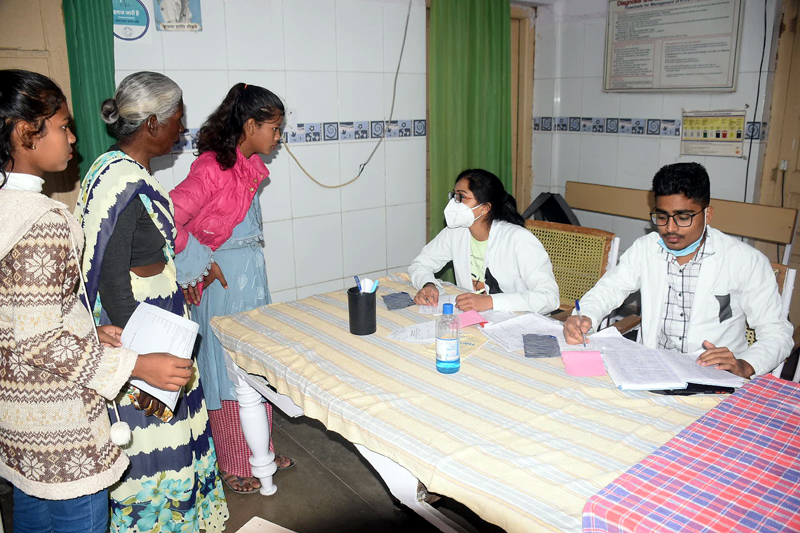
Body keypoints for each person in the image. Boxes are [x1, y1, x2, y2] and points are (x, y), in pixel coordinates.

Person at [0, 69, 191, 533]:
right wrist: (136, 365)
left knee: (34, 514)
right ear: (25, 133)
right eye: (63, 126)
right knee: (80, 519)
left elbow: (22, 315)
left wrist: (87, 329)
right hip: (59, 420)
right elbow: (41, 340)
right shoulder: (41, 220)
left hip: (20, 412)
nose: (74, 138)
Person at [75, 71, 229, 532]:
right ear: (153, 123)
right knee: (156, 449)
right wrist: (143, 361)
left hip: (156, 323)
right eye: (178, 119)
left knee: (177, 434)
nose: (182, 129)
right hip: (140, 335)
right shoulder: (121, 181)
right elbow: (112, 283)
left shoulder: (119, 172)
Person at [170, 83, 294, 495]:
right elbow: (166, 217)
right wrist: (200, 265)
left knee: (254, 361)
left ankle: (262, 452)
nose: (278, 137)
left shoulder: (246, 165)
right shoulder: (211, 168)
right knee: (226, 369)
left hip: (250, 278)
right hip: (222, 285)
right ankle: (233, 462)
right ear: (250, 125)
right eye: (274, 128)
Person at [563, 162, 793, 378]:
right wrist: (585, 318)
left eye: (683, 217)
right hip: (652, 369)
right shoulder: (646, 249)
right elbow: (609, 289)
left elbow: (777, 332)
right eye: (662, 217)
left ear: (708, 214)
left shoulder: (745, 260)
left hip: (715, 376)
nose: (670, 228)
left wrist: (744, 365)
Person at [409, 168, 559, 313]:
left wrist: (491, 302)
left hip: (520, 318)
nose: (454, 203)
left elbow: (549, 298)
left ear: (485, 208)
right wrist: (428, 284)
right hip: (477, 317)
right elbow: (420, 264)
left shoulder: (519, 239)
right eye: (454, 196)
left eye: (462, 197)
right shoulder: (456, 232)